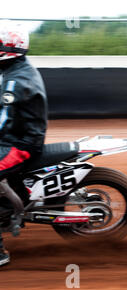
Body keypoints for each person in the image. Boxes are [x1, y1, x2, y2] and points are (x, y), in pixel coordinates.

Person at [0, 22, 48, 267]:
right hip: (18, 136)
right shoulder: (14, 71)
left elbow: (4, 122)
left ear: (8, 48)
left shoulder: (14, 81)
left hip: (22, 143)